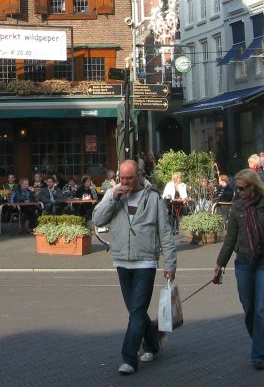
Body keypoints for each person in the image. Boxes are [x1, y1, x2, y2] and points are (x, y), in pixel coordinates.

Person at [92, 160, 176, 375]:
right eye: (122, 178)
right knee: (135, 310)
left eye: (129, 178)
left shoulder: (153, 197)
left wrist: (170, 262)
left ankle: (129, 358)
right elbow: (97, 219)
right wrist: (112, 198)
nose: (125, 182)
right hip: (121, 259)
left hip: (146, 260)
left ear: (138, 175)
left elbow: (165, 231)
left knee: (137, 310)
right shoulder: (113, 194)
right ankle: (152, 343)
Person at [212, 168, 264, 370]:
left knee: (262, 309)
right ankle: (259, 339)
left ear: (253, 187)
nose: (239, 192)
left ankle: (259, 354)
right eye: (237, 189)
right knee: (249, 309)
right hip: (244, 262)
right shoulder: (237, 207)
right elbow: (230, 240)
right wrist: (220, 264)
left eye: (242, 188)